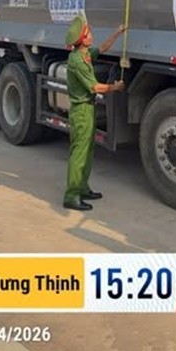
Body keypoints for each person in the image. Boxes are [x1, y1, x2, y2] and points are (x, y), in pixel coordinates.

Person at [64, 17, 126, 211]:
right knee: (79, 153)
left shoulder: (85, 54)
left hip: (87, 108)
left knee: (88, 151)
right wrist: (115, 87)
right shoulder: (77, 61)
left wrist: (117, 32)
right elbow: (95, 87)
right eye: (89, 33)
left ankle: (82, 188)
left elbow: (103, 48)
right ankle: (72, 196)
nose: (91, 35)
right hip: (81, 110)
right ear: (83, 39)